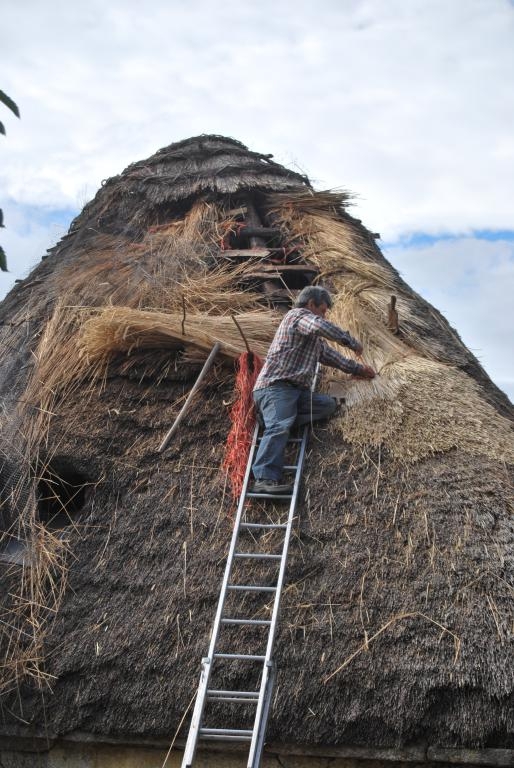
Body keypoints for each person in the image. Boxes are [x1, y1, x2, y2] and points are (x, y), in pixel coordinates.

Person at [252, 286, 376, 494]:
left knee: (326, 405)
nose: (324, 315)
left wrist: (360, 369)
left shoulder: (314, 342)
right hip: (276, 388)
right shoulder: (297, 317)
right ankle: (264, 478)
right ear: (311, 305)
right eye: (323, 310)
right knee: (280, 426)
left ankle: (275, 417)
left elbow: (333, 358)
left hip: (296, 394)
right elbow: (320, 326)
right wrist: (351, 342)